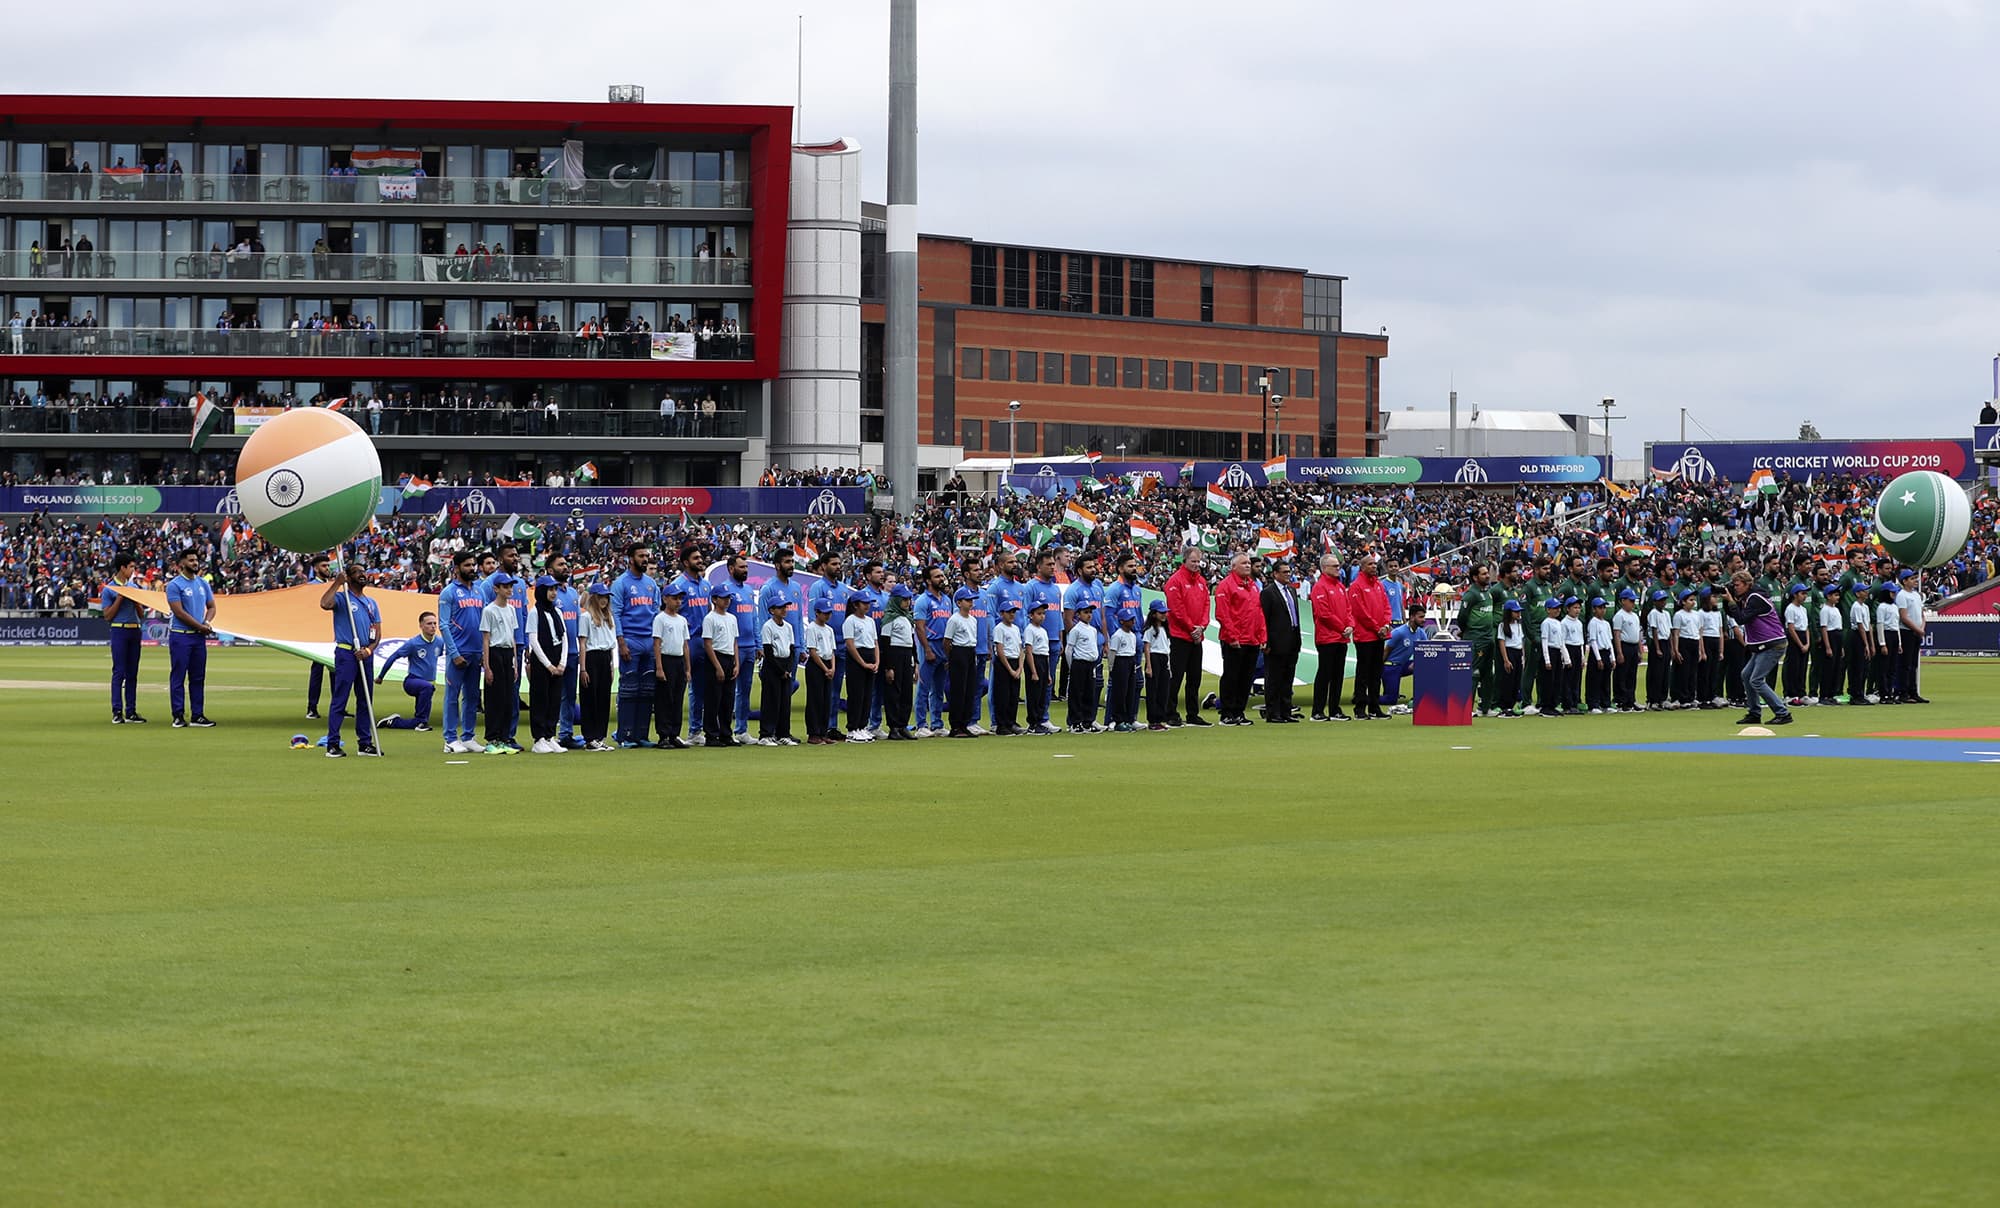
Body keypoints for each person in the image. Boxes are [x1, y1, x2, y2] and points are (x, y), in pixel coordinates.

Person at [320, 562, 382, 757]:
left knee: (365, 700)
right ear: (348, 576)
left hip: (365, 654)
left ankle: (365, 743)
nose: (363, 575)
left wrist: (369, 650)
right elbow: (324, 603)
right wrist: (337, 583)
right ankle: (333, 743)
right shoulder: (342, 597)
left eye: (364, 572)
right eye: (357, 572)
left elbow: (377, 632)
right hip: (347, 653)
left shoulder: (372, 603)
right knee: (341, 699)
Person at [1723, 570, 1794, 725]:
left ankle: (1783, 713)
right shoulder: (1748, 597)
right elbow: (1734, 614)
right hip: (1763, 644)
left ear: (1748, 584)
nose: (1735, 588)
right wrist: (1728, 600)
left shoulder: (1755, 598)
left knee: (1756, 679)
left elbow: (1741, 619)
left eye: (1737, 585)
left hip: (1772, 643)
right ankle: (1754, 713)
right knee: (1746, 675)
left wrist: (1731, 600)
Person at [611, 542, 660, 747]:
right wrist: (621, 642)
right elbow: (616, 614)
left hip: (649, 640)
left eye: (646, 555)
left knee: (648, 690)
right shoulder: (621, 583)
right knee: (629, 689)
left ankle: (641, 735)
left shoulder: (651, 584)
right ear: (630, 559)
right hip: (631, 640)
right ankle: (625, 736)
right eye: (640, 556)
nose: (644, 559)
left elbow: (657, 613)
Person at [437, 551, 486, 752]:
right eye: (467, 565)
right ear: (456, 568)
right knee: (452, 695)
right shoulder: (448, 592)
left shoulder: (479, 591)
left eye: (473, 565)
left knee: (472, 696)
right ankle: (450, 739)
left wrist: (484, 651)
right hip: (458, 652)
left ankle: (468, 736)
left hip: (476, 651)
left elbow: (484, 624)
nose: (472, 568)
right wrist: (454, 653)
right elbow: (444, 625)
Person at [164, 546, 218, 728]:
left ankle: (197, 715)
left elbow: (212, 606)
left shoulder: (203, 583)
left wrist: (207, 622)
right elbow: (179, 612)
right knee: (178, 676)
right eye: (191, 560)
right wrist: (201, 626)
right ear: (181, 564)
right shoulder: (174, 585)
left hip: (198, 637)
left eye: (196, 560)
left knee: (198, 677)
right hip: (181, 636)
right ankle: (178, 715)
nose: (195, 563)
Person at [1214, 553, 1266, 726]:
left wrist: (1262, 636)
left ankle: (1239, 711)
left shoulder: (1253, 586)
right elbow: (1223, 614)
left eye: (1249, 563)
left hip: (1251, 639)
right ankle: (1227, 713)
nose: (1247, 566)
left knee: (1246, 677)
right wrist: (1232, 636)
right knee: (1231, 676)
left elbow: (1259, 613)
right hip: (1234, 640)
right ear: (1233, 567)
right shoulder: (1226, 586)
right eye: (1243, 563)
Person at [670, 546, 716, 743]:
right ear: (686, 562)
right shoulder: (678, 584)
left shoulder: (705, 585)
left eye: (701, 557)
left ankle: (701, 730)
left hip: (705, 641)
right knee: (686, 687)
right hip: (687, 642)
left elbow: (708, 611)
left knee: (704, 688)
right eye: (696, 558)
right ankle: (686, 731)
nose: (700, 560)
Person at [99, 551, 146, 724]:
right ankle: (117, 711)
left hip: (135, 630)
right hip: (119, 630)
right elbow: (108, 616)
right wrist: (120, 597)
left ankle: (131, 710)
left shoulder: (134, 587)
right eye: (131, 567)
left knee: (133, 672)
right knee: (119, 671)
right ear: (122, 567)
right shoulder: (110, 589)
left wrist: (135, 600)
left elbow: (141, 614)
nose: (133, 570)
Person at [374, 611, 441, 731]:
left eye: (435, 623)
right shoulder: (413, 643)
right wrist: (381, 676)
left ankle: (395, 722)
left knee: (420, 715)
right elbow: (394, 656)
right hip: (412, 681)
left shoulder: (440, 642)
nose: (433, 626)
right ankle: (421, 722)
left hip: (428, 683)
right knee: (427, 688)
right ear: (421, 625)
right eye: (429, 623)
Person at [525, 576, 570, 754]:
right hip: (542, 660)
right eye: (549, 590)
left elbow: (564, 637)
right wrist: (548, 665)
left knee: (554, 699)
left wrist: (562, 662)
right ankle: (539, 738)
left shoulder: (557, 612)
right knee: (540, 699)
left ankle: (550, 735)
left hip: (557, 658)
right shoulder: (535, 612)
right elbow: (533, 640)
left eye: (555, 589)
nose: (553, 593)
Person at [479, 573, 521, 754]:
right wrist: (487, 666)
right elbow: (486, 639)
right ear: (496, 589)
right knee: (494, 698)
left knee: (507, 698)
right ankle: (492, 739)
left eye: (510, 586)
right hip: (495, 653)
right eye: (505, 587)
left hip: (507, 653)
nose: (509, 589)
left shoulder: (511, 609)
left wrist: (515, 663)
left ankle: (504, 738)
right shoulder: (489, 610)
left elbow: (511, 637)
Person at [1023, 553, 1066, 729]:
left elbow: (1059, 615)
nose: (1052, 567)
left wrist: (1061, 638)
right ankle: (1034, 719)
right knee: (1035, 683)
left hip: (1054, 640)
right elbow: (1025, 613)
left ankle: (1044, 717)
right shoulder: (1031, 587)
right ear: (1039, 567)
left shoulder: (1056, 589)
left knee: (1048, 682)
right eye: (1048, 564)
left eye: (1053, 564)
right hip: (1037, 641)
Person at [1347, 554, 1391, 721]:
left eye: (1375, 564)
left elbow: (1386, 607)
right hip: (1365, 636)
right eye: (1370, 564)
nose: (1374, 566)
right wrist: (1376, 627)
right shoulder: (1356, 586)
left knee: (1376, 673)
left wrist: (1385, 625)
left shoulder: (1379, 585)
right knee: (1364, 673)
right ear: (1362, 567)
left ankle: (1374, 706)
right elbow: (1359, 612)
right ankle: (1360, 707)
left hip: (1379, 634)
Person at [1309, 554, 1353, 722]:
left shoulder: (1340, 587)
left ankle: (1335, 709)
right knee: (1324, 674)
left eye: (1338, 565)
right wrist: (1343, 627)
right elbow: (1324, 614)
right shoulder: (1320, 587)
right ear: (1324, 568)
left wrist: (1350, 625)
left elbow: (1348, 609)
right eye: (1334, 566)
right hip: (1327, 637)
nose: (1338, 568)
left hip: (1341, 637)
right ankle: (1317, 710)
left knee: (1337, 675)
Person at [1259, 560, 1303, 723]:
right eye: (1284, 572)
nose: (1288, 575)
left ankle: (1286, 711)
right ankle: (1273, 712)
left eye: (1289, 572)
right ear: (1275, 574)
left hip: (1292, 640)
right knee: (1274, 678)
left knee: (1287, 678)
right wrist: (1267, 642)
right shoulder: (1268, 593)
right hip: (1276, 642)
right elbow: (1264, 618)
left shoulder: (1291, 591)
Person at [649, 585, 692, 750]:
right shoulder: (660, 619)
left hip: (678, 660)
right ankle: (663, 735)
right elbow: (657, 644)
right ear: (665, 599)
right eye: (674, 598)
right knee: (664, 699)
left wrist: (688, 668)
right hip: (666, 659)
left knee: (677, 698)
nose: (678, 602)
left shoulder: (681, 620)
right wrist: (659, 667)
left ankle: (675, 733)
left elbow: (685, 645)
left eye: (680, 598)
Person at [1457, 562, 1502, 716]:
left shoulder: (1488, 593)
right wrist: (1468, 631)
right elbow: (1462, 617)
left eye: (1487, 573)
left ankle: (1485, 708)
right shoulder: (1471, 594)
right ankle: (1466, 709)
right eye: (1483, 574)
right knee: (1473, 673)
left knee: (1488, 674)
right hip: (1476, 638)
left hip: (1489, 638)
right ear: (1475, 577)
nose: (1487, 575)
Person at [914, 564, 953, 737]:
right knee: (923, 688)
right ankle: (921, 724)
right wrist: (927, 649)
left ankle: (937, 724)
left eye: (941, 576)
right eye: (937, 576)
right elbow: (920, 628)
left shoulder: (946, 599)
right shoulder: (923, 600)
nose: (941, 579)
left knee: (938, 689)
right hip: (929, 646)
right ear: (928, 580)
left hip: (943, 648)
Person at [548, 555, 583, 749]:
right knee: (554, 695)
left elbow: (576, 624)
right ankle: (549, 735)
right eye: (560, 564)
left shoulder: (572, 593)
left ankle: (566, 734)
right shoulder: (550, 594)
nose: (565, 567)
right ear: (551, 570)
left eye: (566, 564)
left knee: (570, 695)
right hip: (554, 654)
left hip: (572, 652)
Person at [702, 583, 742, 747]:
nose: (727, 601)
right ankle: (711, 734)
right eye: (723, 598)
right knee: (713, 698)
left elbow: (734, 642)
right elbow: (708, 643)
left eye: (728, 598)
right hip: (716, 657)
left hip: (729, 657)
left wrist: (736, 663)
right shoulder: (710, 618)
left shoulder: (732, 618)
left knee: (728, 698)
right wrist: (717, 666)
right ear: (714, 599)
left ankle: (726, 733)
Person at [578, 583, 617, 750]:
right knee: (590, 698)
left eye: (606, 597)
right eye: (600, 597)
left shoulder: (608, 617)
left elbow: (610, 644)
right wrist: (583, 668)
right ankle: (590, 737)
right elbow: (583, 643)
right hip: (592, 657)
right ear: (593, 598)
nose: (604, 600)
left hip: (605, 657)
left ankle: (600, 736)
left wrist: (611, 665)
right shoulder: (586, 617)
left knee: (603, 699)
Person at [1380, 601, 1436, 713]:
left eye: (1424, 617)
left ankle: (1421, 696)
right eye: (1420, 617)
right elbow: (1386, 651)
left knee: (1423, 664)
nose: (1423, 620)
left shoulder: (1421, 633)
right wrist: (1378, 668)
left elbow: (1425, 651)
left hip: (1403, 665)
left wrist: (1417, 663)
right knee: (1391, 699)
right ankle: (1365, 698)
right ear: (1411, 617)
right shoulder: (1399, 632)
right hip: (1391, 667)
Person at [757, 599, 798, 746]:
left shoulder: (788, 627)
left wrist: (788, 669)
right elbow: (768, 651)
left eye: (784, 607)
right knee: (771, 700)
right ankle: (766, 734)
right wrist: (781, 671)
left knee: (785, 702)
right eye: (779, 608)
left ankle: (783, 733)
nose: (784, 610)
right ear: (772, 610)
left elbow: (792, 650)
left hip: (785, 664)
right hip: (772, 666)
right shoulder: (768, 627)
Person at [881, 583, 917, 740]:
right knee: (894, 692)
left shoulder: (908, 618)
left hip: (907, 654)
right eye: (904, 600)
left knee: (906, 692)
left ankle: (903, 724)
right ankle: (893, 726)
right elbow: (885, 643)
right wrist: (888, 666)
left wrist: (916, 662)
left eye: (909, 599)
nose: (907, 603)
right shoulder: (890, 618)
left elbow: (912, 642)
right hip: (894, 654)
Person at [842, 594, 880, 742]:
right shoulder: (850, 621)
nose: (867, 606)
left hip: (870, 654)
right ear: (856, 605)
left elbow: (875, 642)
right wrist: (863, 663)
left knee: (867, 695)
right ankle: (852, 728)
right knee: (856, 694)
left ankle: (862, 726)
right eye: (864, 603)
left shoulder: (870, 621)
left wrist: (876, 661)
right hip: (857, 657)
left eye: (868, 603)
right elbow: (850, 644)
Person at [944, 587, 980, 737]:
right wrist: (950, 658)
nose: (971, 603)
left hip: (970, 651)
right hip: (958, 651)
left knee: (969, 689)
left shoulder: (973, 620)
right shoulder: (954, 619)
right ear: (959, 602)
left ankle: (965, 723)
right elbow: (947, 641)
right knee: (958, 690)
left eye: (972, 600)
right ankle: (955, 725)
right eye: (967, 600)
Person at [1065, 599, 1103, 732]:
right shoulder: (1076, 630)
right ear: (1078, 614)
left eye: (1090, 612)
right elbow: (1069, 649)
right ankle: (1075, 722)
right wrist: (1072, 666)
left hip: (1090, 663)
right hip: (1079, 663)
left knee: (1089, 692)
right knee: (1077, 693)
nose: (1089, 615)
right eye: (1086, 612)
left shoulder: (1092, 630)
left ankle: (1087, 721)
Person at [804, 599, 838, 745]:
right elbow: (812, 651)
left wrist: (832, 668)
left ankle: (823, 731)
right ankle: (813, 733)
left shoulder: (829, 630)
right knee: (815, 700)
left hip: (828, 663)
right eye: (825, 613)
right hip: (816, 665)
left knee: (826, 700)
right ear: (817, 613)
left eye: (829, 613)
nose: (827, 616)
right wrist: (825, 669)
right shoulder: (812, 628)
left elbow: (832, 651)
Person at [990, 599, 1026, 736]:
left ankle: (1011, 722)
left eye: (1013, 612)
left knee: (1013, 695)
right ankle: (1001, 724)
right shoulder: (999, 628)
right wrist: (1010, 669)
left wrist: (1020, 667)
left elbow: (1020, 648)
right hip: (1004, 663)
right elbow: (1000, 650)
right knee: (1002, 695)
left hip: (1015, 661)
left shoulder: (1016, 629)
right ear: (1002, 613)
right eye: (1009, 612)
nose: (1012, 615)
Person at [304, 552, 332, 719]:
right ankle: (312, 707)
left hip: (333, 633)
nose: (327, 568)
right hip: (318, 635)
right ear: (315, 568)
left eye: (328, 566)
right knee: (317, 672)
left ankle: (338, 707)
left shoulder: (331, 585)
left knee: (337, 673)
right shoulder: (312, 586)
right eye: (324, 566)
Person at [1106, 608, 1142, 732]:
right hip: (1120, 662)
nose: (1132, 622)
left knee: (1130, 691)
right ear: (1122, 621)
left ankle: (1128, 718)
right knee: (1120, 692)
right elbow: (1113, 652)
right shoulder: (1117, 635)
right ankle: (1118, 719)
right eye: (1129, 620)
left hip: (1130, 661)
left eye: (1133, 619)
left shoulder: (1132, 635)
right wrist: (1111, 667)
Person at [1895, 570, 1928, 703]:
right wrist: (1917, 629)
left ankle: (1913, 691)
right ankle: (1904, 692)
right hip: (1907, 632)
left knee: (1913, 663)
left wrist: (1921, 627)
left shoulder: (1916, 595)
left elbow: (1921, 615)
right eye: (1912, 578)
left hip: (1916, 631)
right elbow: (1903, 617)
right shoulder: (1902, 595)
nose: (1915, 580)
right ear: (1904, 581)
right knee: (1905, 664)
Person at [1024, 598, 1055, 734]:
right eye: (1038, 613)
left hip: (1043, 660)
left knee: (1042, 693)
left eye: (1043, 613)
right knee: (1034, 694)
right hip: (1034, 661)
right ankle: (1033, 722)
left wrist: (1047, 672)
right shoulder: (1030, 630)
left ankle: (1040, 720)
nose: (1042, 616)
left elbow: (1045, 652)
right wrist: (1033, 671)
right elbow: (1029, 651)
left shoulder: (1043, 630)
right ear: (1031, 615)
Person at [1610, 589, 1643, 712]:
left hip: (1633, 646)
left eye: (1634, 601)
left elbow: (1638, 633)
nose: (1633, 603)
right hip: (1624, 646)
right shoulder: (1619, 616)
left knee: (1631, 675)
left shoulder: (1634, 615)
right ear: (1623, 601)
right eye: (1631, 601)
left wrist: (1640, 650)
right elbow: (1617, 634)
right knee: (1621, 674)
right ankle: (1620, 700)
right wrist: (1619, 652)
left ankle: (1630, 699)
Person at [1144, 600, 1173, 731]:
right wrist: (1149, 665)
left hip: (1164, 658)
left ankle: (1161, 717)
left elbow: (1167, 647)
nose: (1164, 615)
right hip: (1154, 657)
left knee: (1163, 690)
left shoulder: (1165, 629)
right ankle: (1153, 719)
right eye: (1161, 613)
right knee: (1153, 690)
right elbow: (1147, 647)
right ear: (1154, 613)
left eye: (1165, 613)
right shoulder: (1150, 630)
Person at [1814, 583, 1846, 706]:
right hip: (1830, 637)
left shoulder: (1836, 609)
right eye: (1835, 595)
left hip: (1838, 636)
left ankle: (1831, 694)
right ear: (1828, 596)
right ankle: (1824, 695)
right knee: (1828, 668)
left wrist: (1841, 646)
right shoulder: (1825, 610)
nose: (1837, 597)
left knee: (1836, 668)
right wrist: (1827, 646)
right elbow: (1824, 628)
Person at [1536, 596, 1569, 717]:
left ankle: (1553, 704)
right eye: (1554, 608)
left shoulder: (1558, 623)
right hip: (1549, 651)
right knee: (1548, 681)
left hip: (1557, 652)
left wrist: (1566, 657)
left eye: (1558, 608)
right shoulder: (1546, 623)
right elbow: (1544, 641)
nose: (1557, 610)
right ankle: (1545, 706)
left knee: (1557, 680)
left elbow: (1561, 642)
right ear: (1548, 609)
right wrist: (1547, 659)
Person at [1584, 597, 1616, 714]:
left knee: (1606, 680)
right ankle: (1593, 704)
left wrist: (1612, 657)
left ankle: (1605, 703)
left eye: (1604, 608)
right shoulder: (1593, 623)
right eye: (1600, 608)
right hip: (1597, 652)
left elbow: (1609, 641)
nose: (1602, 610)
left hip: (1606, 651)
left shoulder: (1606, 623)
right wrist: (1598, 658)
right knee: (1595, 679)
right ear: (1594, 609)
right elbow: (1593, 641)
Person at [1782, 583, 1812, 705]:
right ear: (1795, 595)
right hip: (1795, 638)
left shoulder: (1803, 609)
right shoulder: (1790, 608)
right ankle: (1790, 694)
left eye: (1805, 593)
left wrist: (1807, 643)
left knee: (1802, 667)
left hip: (1804, 636)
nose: (1804, 596)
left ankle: (1801, 692)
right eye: (1802, 593)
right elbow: (1791, 628)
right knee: (1793, 666)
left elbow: (1806, 628)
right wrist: (1800, 644)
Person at [1495, 600, 1525, 717]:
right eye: (1515, 612)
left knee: (1517, 680)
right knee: (1508, 680)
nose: (1518, 614)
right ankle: (1505, 706)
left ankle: (1512, 705)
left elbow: (1521, 641)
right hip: (1509, 652)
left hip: (1518, 653)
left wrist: (1523, 655)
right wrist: (1506, 660)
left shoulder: (1519, 625)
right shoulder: (1502, 626)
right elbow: (1502, 642)